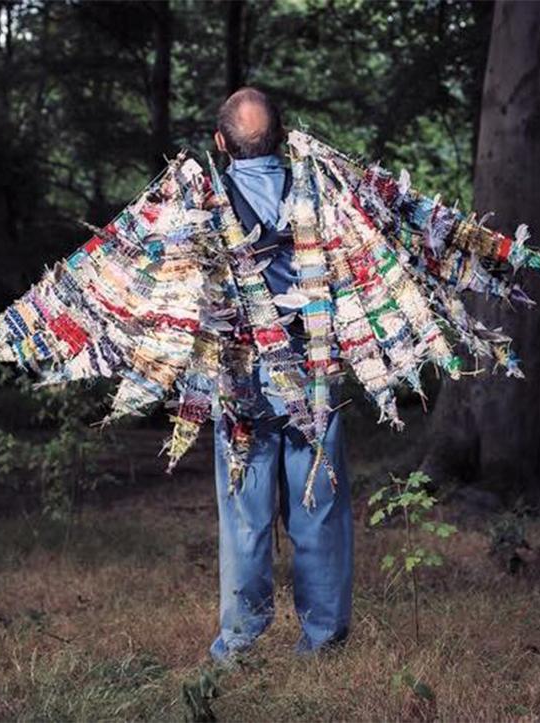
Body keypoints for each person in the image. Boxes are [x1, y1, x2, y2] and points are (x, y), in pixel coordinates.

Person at [209, 87, 354, 662]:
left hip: (240, 378)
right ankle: (323, 645)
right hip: (316, 370)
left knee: (244, 514)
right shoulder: (323, 193)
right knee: (319, 505)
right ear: (284, 135)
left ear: (222, 143)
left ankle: (240, 644)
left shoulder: (203, 203)